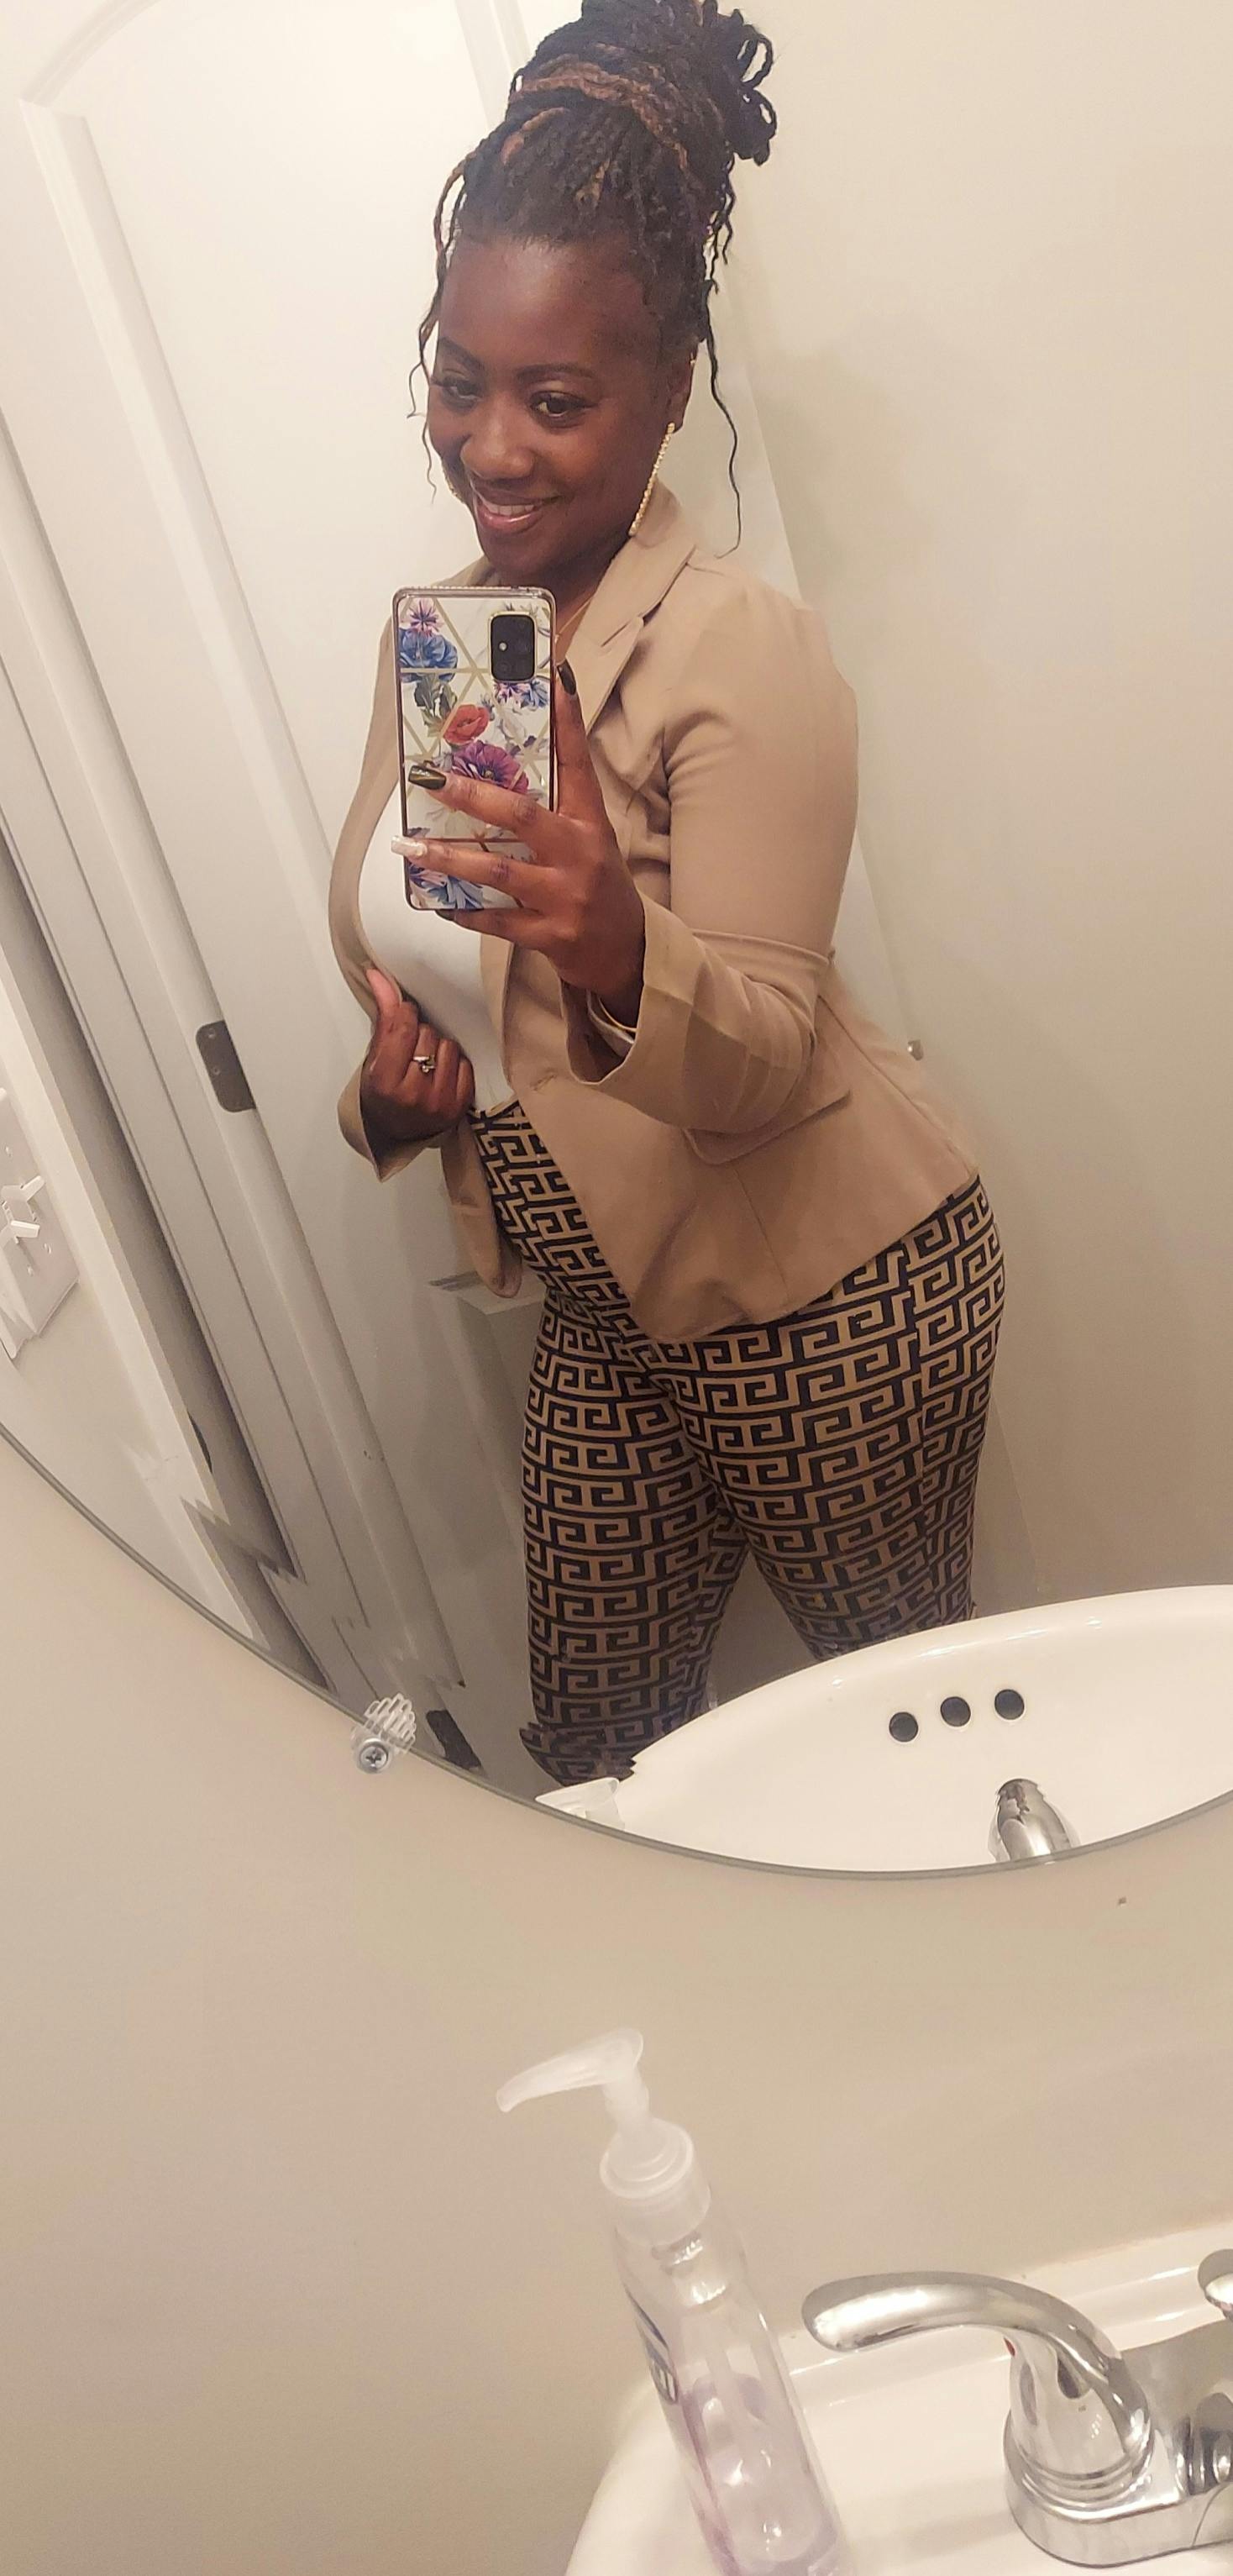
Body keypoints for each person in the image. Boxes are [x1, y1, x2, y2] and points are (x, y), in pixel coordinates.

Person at [329, 0, 1005, 1785]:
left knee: (907, 1729)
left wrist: (622, 946)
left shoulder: (737, 647)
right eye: (459, 380)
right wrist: (395, 1099)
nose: (491, 444)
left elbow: (763, 1051)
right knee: (600, 1748)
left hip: (824, 1290)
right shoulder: (449, 645)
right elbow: (452, 992)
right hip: (608, 1309)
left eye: (555, 399)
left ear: (666, 394)